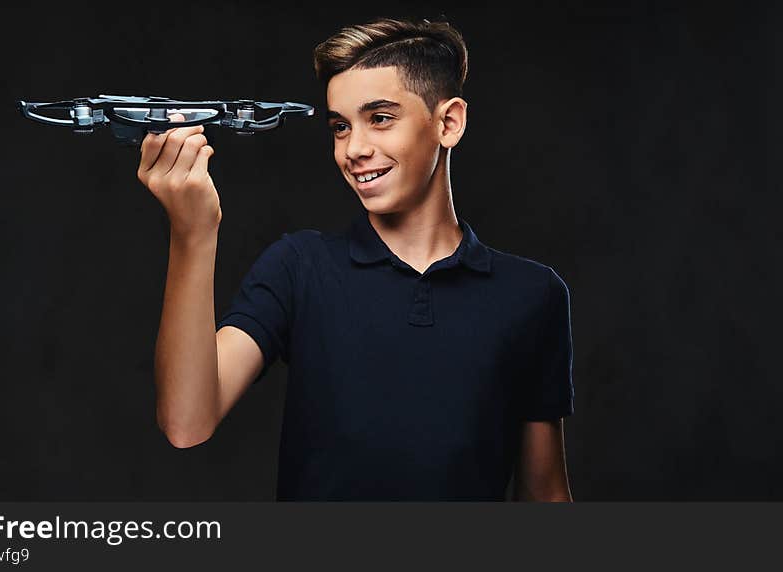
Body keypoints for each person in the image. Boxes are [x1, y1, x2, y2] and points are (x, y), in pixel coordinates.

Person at [137, 16, 575, 501]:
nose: (355, 149)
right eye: (340, 127)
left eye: (380, 118)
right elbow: (185, 422)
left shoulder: (532, 296)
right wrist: (193, 234)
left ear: (448, 123)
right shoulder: (298, 268)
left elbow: (546, 494)